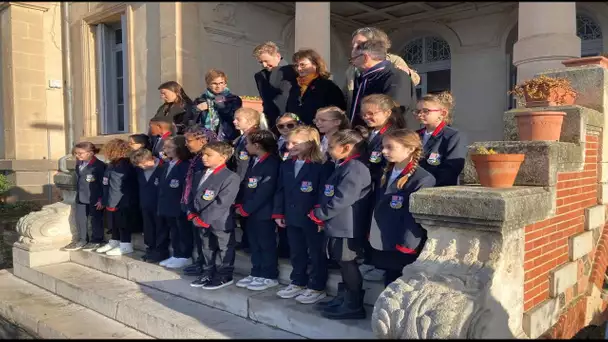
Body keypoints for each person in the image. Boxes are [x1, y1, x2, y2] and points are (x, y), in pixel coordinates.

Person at [308, 129, 372, 320]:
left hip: (346, 225)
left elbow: (343, 198)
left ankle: (353, 304)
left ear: (347, 147)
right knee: (341, 262)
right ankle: (343, 298)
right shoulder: (344, 165)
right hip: (337, 223)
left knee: (347, 263)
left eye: (331, 146)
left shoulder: (355, 168)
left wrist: (320, 214)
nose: (327, 149)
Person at [369, 129, 436, 286]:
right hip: (385, 236)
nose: (384, 151)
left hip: (402, 242)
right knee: (388, 279)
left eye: (390, 147)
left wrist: (408, 243)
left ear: (410, 148)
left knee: (399, 283)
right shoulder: (386, 172)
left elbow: (413, 217)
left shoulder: (423, 179)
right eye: (383, 147)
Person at [273, 126, 332, 304]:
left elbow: (324, 193)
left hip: (312, 218)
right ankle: (298, 280)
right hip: (291, 216)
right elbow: (280, 190)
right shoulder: (287, 164)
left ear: (310, 143)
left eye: (295, 143)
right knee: (296, 250)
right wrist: (278, 212)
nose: (290, 146)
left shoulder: (322, 166)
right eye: (288, 142)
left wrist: (319, 216)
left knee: (315, 252)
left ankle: (316, 286)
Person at [357, 94, 407, 282]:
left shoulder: (393, 134)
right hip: (368, 187)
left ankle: (380, 264)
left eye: (371, 113)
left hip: (382, 185)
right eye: (364, 114)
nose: (367, 117)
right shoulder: (370, 133)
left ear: (387, 113)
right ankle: (370, 259)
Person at [187, 141, 241, 290]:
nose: (204, 157)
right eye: (203, 154)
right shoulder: (199, 174)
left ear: (223, 157)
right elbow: (192, 195)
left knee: (224, 247)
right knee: (206, 247)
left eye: (209, 155)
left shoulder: (230, 177)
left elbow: (222, 202)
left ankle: (224, 274)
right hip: (200, 219)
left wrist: (204, 219)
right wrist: (191, 212)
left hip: (219, 220)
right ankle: (208, 271)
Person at [234, 130, 281, 291]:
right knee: (254, 243)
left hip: (264, 211)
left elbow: (265, 191)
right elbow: (248, 185)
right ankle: (257, 272)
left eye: (247, 143)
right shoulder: (255, 160)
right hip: (250, 211)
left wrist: (247, 208)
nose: (245, 146)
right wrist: (241, 205)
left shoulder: (272, 163)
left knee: (265, 243)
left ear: (257, 145)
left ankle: (269, 275)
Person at [344, 27, 421, 117]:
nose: (353, 49)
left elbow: (394, 114)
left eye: (359, 45)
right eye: (353, 45)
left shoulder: (394, 74)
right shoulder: (357, 75)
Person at [348, 39, 415, 128]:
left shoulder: (395, 76)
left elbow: (395, 111)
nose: (353, 63)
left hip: (389, 137)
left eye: (353, 59)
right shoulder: (364, 78)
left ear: (365, 57)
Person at [181, 126, 219, 277]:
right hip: (194, 204)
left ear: (202, 140)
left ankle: (207, 265)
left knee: (206, 239)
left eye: (188, 140)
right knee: (198, 236)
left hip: (204, 205)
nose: (186, 144)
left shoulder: (206, 160)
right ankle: (200, 262)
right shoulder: (197, 158)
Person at [231, 107, 269, 251]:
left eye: (238, 119)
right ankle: (246, 241)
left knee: (248, 212)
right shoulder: (242, 137)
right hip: (241, 179)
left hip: (248, 180)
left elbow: (247, 163)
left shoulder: (254, 137)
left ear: (251, 121)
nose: (234, 121)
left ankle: (250, 243)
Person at [414, 92, 466, 186]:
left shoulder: (452, 136)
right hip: (415, 187)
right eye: (418, 111)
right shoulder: (415, 135)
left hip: (438, 189)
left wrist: (427, 184)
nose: (420, 114)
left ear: (442, 113)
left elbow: (452, 168)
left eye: (426, 111)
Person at [62, 142, 106, 252]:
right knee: (80, 218)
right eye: (75, 153)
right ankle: (82, 240)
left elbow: (103, 184)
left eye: (80, 153)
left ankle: (97, 240)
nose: (77, 155)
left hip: (95, 197)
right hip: (81, 196)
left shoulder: (99, 166)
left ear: (90, 153)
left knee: (96, 219)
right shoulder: (79, 163)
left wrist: (102, 199)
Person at [96, 139, 138, 256]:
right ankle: (115, 241)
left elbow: (117, 186)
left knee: (123, 223)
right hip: (112, 199)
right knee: (114, 223)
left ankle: (125, 245)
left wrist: (111, 203)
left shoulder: (123, 165)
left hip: (122, 201)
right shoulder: (113, 164)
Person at [157, 136, 193, 269]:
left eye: (169, 147)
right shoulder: (167, 165)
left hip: (179, 205)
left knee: (182, 230)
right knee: (174, 230)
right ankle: (177, 253)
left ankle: (185, 255)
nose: (166, 150)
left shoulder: (186, 166)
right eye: (165, 147)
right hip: (168, 204)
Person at [286, 49, 346, 125]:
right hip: (298, 132)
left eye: (302, 65)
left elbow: (337, 113)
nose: (299, 69)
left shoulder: (328, 86)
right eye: (296, 65)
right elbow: (290, 112)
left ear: (316, 64)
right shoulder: (295, 88)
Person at [252, 41, 299, 131]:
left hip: (291, 122)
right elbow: (265, 100)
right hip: (271, 122)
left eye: (266, 61)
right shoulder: (259, 76)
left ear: (277, 56)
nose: (264, 65)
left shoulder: (294, 71)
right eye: (261, 62)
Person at [130, 148, 165, 262]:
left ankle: (160, 251)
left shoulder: (163, 168)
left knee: (160, 228)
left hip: (159, 205)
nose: (142, 167)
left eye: (144, 164)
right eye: (139, 166)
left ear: (151, 159)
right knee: (148, 228)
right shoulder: (139, 170)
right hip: (145, 204)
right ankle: (150, 248)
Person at [192, 69, 242, 141]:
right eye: (214, 83)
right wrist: (197, 109)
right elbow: (193, 117)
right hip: (204, 137)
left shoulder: (233, 99)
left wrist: (211, 104)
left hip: (226, 137)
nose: (218, 86)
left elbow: (230, 115)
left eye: (221, 83)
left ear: (225, 84)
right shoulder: (201, 99)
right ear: (208, 84)